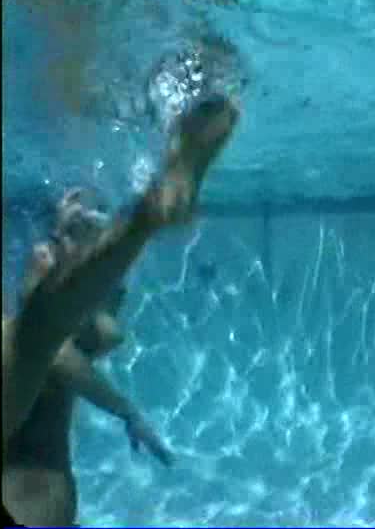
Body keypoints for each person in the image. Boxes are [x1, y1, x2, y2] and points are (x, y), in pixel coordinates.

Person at [2, 94, 239, 525]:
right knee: (38, 332)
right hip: (32, 494)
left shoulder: (82, 324)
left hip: (35, 494)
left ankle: (146, 217)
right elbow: (51, 341)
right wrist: (126, 410)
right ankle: (147, 216)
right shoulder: (54, 320)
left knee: (41, 330)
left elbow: (61, 332)